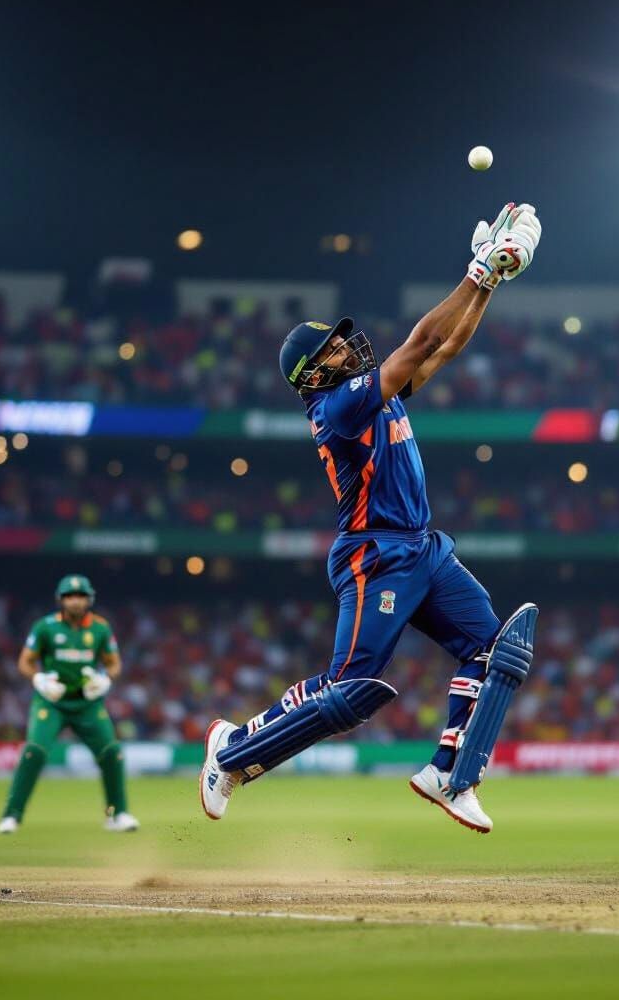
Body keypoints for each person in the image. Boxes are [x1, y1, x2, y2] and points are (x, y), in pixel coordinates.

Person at [199, 202, 542, 833]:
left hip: (424, 547)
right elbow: (420, 343)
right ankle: (234, 752)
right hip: (374, 554)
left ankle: (449, 772)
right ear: (313, 374)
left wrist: (490, 282)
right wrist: (476, 270)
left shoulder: (371, 393)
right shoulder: (338, 407)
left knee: (497, 654)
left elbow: (445, 348)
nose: (344, 345)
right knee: (350, 691)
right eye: (331, 347)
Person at [0, 574, 139, 833]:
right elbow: (25, 661)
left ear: (89, 599)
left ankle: (116, 814)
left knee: (112, 754)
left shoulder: (100, 628)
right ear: (61, 600)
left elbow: (114, 663)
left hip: (87, 702)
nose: (75, 601)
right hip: (51, 700)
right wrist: (39, 679)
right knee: (34, 753)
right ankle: (12, 815)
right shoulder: (45, 627)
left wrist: (105, 679)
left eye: (81, 596)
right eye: (70, 596)